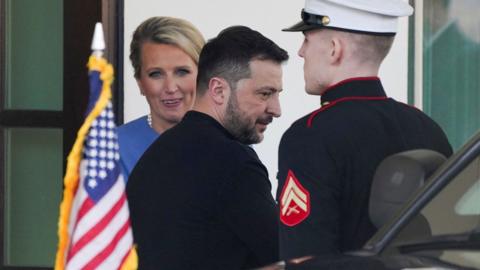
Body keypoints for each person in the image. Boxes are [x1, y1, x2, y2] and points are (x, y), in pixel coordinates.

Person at [276, 0, 453, 260]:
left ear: (334, 49)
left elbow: (305, 259)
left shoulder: (309, 135)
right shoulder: (428, 128)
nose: (301, 52)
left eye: (307, 40)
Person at [126, 26, 289, 269]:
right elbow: (283, 253)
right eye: (265, 94)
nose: (276, 109)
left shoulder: (156, 154)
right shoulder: (235, 163)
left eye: (277, 94)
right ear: (219, 90)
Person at [116, 16, 205, 177]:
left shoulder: (232, 143)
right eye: (155, 74)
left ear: (203, 76)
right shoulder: (113, 148)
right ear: (140, 83)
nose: (170, 87)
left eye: (182, 72)